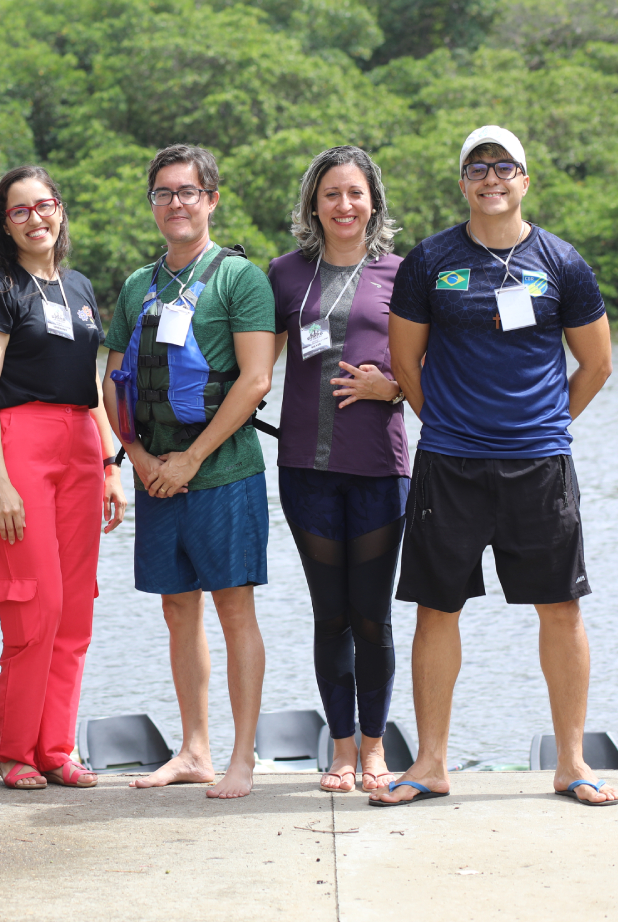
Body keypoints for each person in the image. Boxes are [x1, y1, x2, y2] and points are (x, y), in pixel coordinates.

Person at [375, 126, 616, 807]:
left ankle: (571, 762)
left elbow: (596, 365)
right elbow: (404, 364)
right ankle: (429, 764)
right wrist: (448, 421)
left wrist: (544, 426)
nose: (491, 178)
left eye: (504, 166)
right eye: (478, 168)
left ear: (524, 180)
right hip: (449, 462)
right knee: (436, 607)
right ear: (463, 183)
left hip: (539, 464)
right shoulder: (430, 261)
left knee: (561, 608)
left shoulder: (562, 262)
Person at [102, 144, 276, 800]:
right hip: (155, 475)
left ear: (212, 199)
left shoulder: (240, 279)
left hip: (222, 471)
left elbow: (256, 377)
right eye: (164, 193)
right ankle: (194, 749)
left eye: (188, 192)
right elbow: (112, 379)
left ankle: (240, 759)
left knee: (234, 608)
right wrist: (140, 459)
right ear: (152, 204)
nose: (176, 203)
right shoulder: (135, 286)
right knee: (179, 609)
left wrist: (192, 458)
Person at [0, 165, 126, 792]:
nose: (37, 219)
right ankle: (14, 749)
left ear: (61, 210)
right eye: (20, 210)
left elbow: (90, 383)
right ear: (5, 223)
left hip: (81, 447)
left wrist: (110, 461)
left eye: (46, 205)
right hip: (19, 444)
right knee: (37, 604)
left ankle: (57, 747)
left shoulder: (79, 287)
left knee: (77, 607)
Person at [266, 146, 408, 794]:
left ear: (372, 200)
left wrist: (394, 388)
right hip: (305, 469)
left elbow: (435, 369)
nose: (344, 205)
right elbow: (250, 366)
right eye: (331, 194)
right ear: (312, 204)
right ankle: (341, 753)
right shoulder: (284, 274)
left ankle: (376, 749)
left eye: (355, 193)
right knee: (331, 615)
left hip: (381, 468)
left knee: (373, 614)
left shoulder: (405, 275)